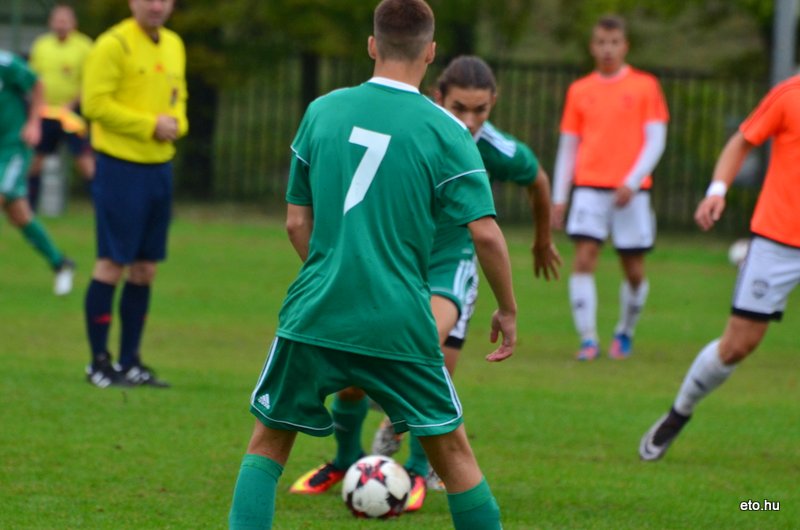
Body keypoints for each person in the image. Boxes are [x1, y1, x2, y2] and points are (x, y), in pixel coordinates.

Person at [228, 1, 517, 528]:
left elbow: (296, 223)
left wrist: (334, 271)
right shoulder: (446, 131)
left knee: (268, 442)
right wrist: (508, 309)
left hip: (315, 311)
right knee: (453, 456)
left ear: (371, 45)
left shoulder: (322, 111)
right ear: (430, 53)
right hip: (400, 320)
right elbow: (486, 234)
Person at [288, 55, 561, 512]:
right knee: (353, 366)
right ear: (439, 96)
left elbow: (538, 181)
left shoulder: (493, 148)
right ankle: (346, 459)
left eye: (481, 110)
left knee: (424, 351)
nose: (470, 121)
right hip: (395, 259)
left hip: (448, 264)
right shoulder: (419, 128)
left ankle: (416, 468)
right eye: (460, 108)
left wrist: (542, 239)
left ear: (494, 103)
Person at [639, 74, 800, 461]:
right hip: (778, 240)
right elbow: (743, 139)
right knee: (736, 346)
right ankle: (678, 414)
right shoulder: (790, 95)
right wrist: (717, 191)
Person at [80, 0, 187, 388]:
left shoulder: (174, 43)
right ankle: (98, 363)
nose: (156, 5)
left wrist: (180, 124)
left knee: (145, 268)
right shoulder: (113, 44)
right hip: (119, 167)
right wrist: (148, 124)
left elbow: (180, 97)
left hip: (159, 166)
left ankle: (130, 361)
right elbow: (94, 104)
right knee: (111, 263)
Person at [551, 15, 669, 361]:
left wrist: (632, 181)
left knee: (633, 270)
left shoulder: (645, 86)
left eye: (614, 42)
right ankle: (588, 339)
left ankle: (625, 332)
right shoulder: (580, 90)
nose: (607, 49)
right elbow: (569, 146)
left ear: (625, 46)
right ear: (592, 46)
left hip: (631, 194)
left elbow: (656, 140)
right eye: (601, 43)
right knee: (584, 258)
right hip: (589, 188)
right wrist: (561, 196)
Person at [0, 49, 75, 295]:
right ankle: (60, 263)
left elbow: (37, 83)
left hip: (14, 145)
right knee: (19, 214)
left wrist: (34, 123)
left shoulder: (5, 63)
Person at [27, 4, 94, 211]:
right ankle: (30, 208)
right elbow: (32, 80)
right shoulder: (41, 45)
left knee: (85, 161)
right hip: (45, 112)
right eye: (58, 20)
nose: (61, 24)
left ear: (74, 23)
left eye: (65, 20)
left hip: (71, 114)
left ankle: (101, 205)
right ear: (51, 23)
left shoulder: (84, 46)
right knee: (34, 161)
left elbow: (90, 81)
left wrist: (72, 104)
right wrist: (38, 104)